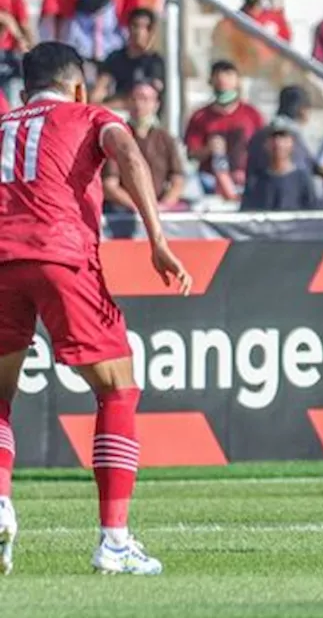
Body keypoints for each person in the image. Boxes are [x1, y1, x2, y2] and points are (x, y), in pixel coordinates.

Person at [0, 41, 192, 576]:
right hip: (60, 254)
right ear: (78, 86)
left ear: (22, 89)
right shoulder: (91, 114)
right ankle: (114, 540)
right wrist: (157, 237)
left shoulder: (5, 123)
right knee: (117, 389)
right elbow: (128, 154)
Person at [183, 60, 265, 196]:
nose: (223, 81)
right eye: (218, 76)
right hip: (210, 182)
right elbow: (191, 154)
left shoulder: (252, 114)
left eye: (229, 76)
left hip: (246, 180)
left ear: (238, 81)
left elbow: (265, 149)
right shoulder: (200, 117)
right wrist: (208, 149)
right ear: (211, 81)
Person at [102, 81, 186, 213]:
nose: (139, 105)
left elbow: (178, 180)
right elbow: (110, 185)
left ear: (156, 104)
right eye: (135, 99)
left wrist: (163, 205)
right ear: (127, 103)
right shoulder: (118, 137)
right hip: (124, 210)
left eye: (145, 99)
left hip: (159, 208)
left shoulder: (166, 138)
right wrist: (139, 207)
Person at [240, 119, 319, 212]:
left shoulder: (302, 179)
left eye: (283, 137)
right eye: (273, 137)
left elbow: (313, 216)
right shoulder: (256, 180)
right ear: (265, 143)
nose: (278, 143)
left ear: (292, 142)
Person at [93, 8, 164, 104]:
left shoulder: (155, 63)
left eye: (144, 27)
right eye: (135, 26)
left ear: (150, 32)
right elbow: (99, 88)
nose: (138, 32)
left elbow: (149, 98)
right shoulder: (115, 58)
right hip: (115, 110)